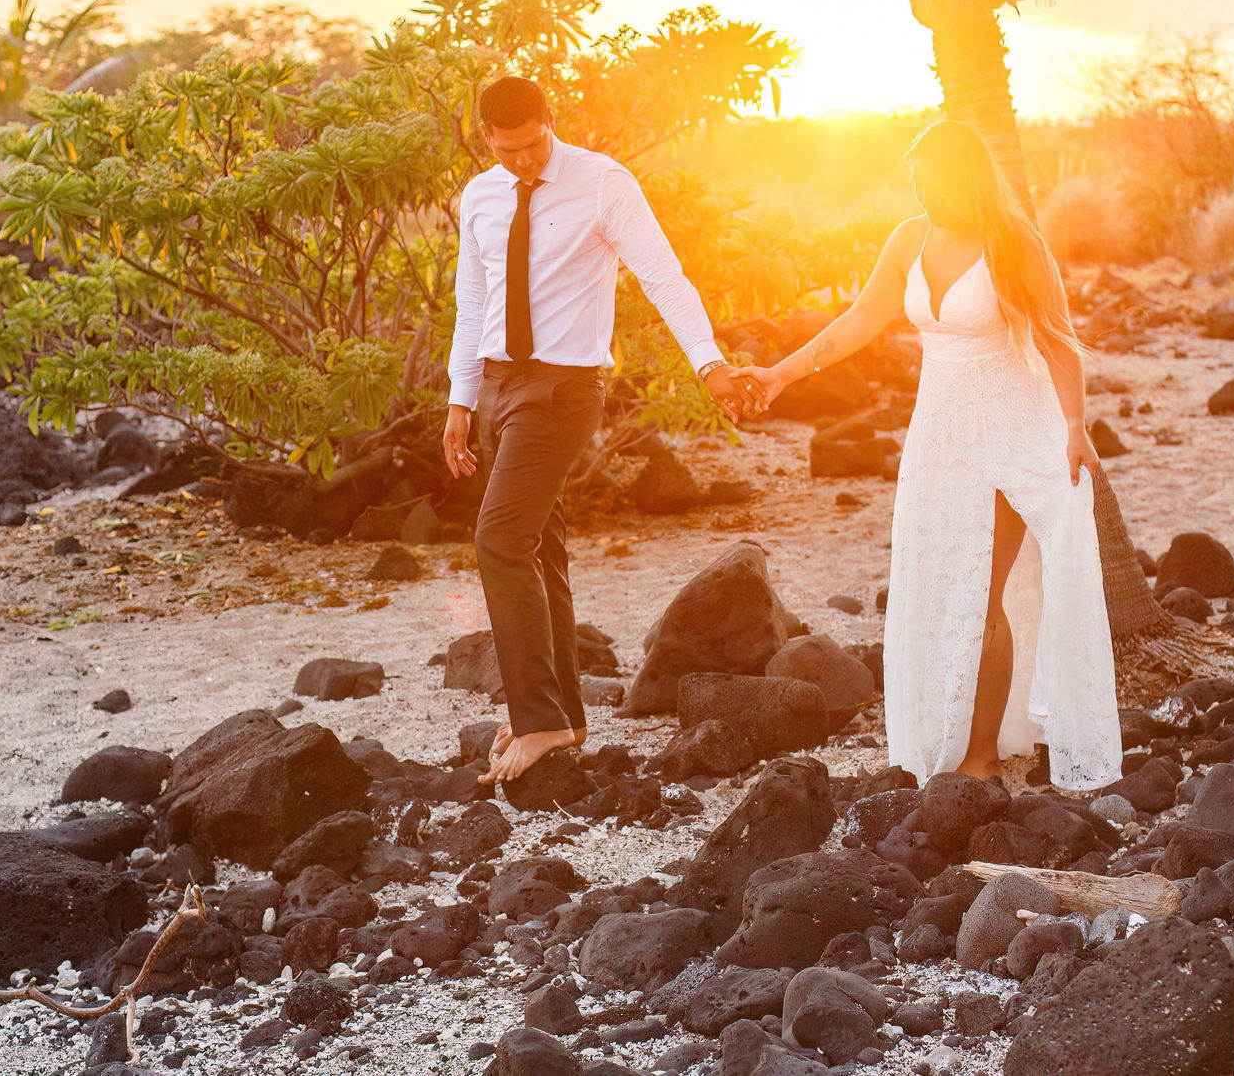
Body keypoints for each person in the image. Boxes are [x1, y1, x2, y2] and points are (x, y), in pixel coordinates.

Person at [749, 120, 1123, 791]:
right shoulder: (908, 239)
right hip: (938, 439)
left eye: (932, 180)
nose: (921, 192)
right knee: (938, 586)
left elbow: (1059, 339)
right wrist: (780, 374)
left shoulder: (1014, 244)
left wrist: (1075, 423)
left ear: (965, 178)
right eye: (914, 180)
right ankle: (947, 736)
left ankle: (980, 756)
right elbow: (859, 321)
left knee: (983, 594)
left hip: (1009, 432)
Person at [444, 76, 765, 787]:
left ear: (549, 122)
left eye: (532, 146)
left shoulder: (602, 182)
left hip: (564, 389)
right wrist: (460, 401)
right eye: (507, 151)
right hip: (499, 384)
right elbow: (473, 302)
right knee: (539, 545)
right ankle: (562, 714)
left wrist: (709, 362)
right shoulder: (481, 197)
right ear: (487, 141)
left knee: (499, 539)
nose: (523, 163)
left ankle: (537, 719)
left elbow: (664, 276)